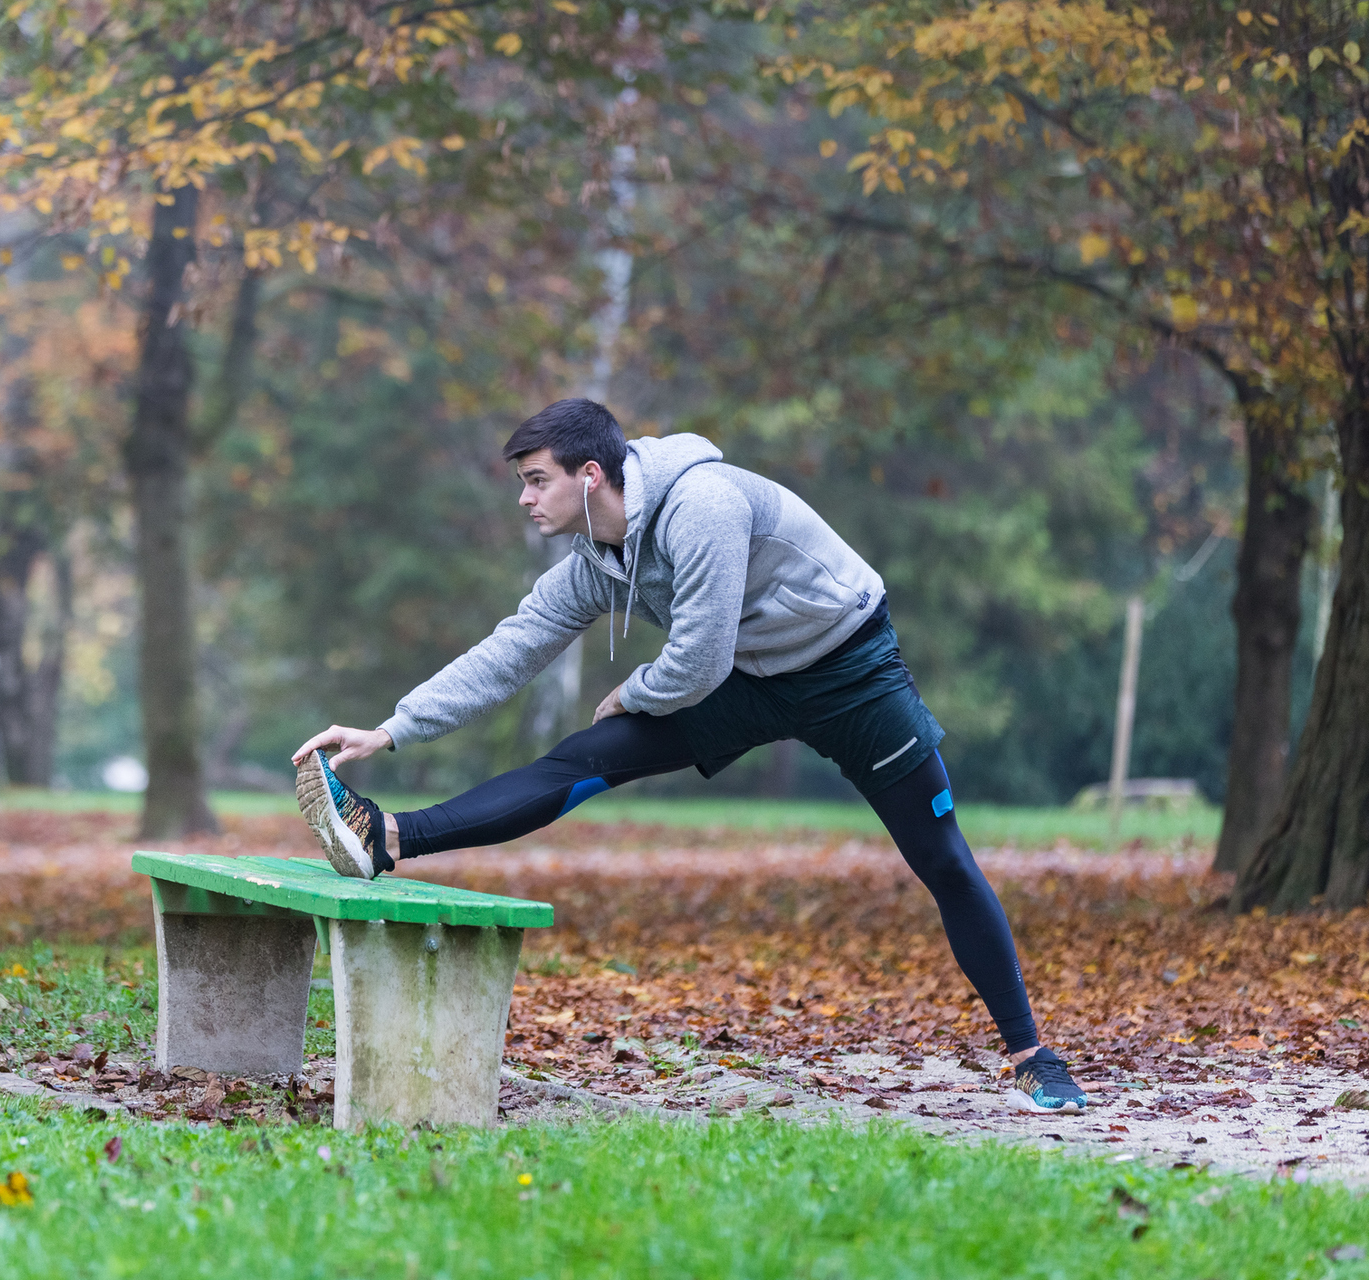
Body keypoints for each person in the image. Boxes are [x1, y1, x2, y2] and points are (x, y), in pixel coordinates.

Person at [290, 398, 1088, 1114]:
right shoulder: (597, 563)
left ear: (590, 474)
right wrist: (390, 729)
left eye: (536, 481)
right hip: (748, 678)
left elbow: (697, 661)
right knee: (584, 757)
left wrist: (636, 690)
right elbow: (512, 649)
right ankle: (387, 837)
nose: (525, 499)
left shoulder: (700, 505)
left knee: (941, 857)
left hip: (849, 670)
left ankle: (1030, 1054)